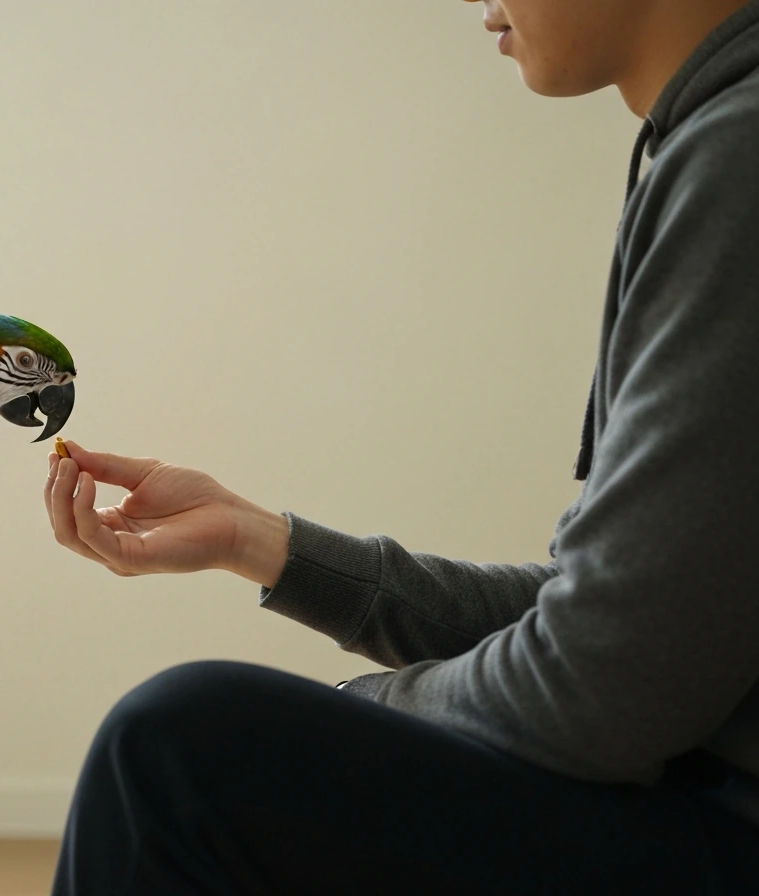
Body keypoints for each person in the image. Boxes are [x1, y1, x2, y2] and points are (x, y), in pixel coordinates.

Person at [43, 1, 759, 892]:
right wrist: (260, 541)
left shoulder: (737, 157)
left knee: (173, 749)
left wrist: (369, 707)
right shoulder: (710, 138)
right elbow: (618, 627)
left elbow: (605, 684)